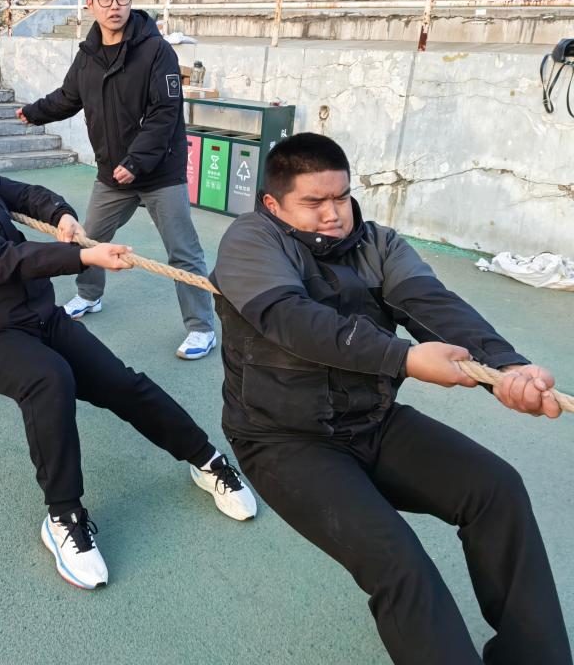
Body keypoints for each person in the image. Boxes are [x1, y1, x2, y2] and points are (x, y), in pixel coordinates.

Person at [212, 132, 572, 665]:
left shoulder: (379, 245)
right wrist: (405, 358)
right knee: (400, 566)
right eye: (314, 202)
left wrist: (506, 368)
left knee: (496, 489)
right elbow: (292, 320)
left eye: (341, 196)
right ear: (273, 203)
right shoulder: (250, 241)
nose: (333, 214)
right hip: (283, 440)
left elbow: (432, 304)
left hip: (371, 420)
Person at [0, 113, 257, 590]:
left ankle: (207, 460)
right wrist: (83, 257)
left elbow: (23, 195)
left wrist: (60, 213)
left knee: (121, 383)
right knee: (48, 380)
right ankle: (63, 517)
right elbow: (0, 259)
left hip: (38, 316)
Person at [19, 0, 216, 361]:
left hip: (159, 172)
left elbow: (165, 113)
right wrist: (34, 112)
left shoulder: (157, 51)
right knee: (89, 238)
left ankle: (201, 328)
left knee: (184, 252)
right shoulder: (88, 55)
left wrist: (137, 161)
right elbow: (69, 96)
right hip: (113, 174)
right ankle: (89, 295)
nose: (115, 6)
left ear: (130, 1)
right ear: (90, 4)